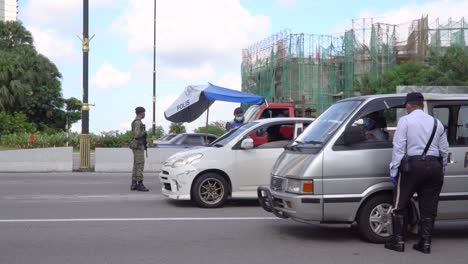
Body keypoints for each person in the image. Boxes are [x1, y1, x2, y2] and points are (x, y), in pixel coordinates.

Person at [385, 92, 448, 254]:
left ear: (409, 105)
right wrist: (442, 169)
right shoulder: (437, 123)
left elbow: (399, 147)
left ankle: (398, 241)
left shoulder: (405, 121)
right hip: (434, 167)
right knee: (429, 208)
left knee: (399, 205)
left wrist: (394, 170)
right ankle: (425, 243)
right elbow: (444, 151)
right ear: (422, 105)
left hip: (413, 167)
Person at [129, 106, 149, 192]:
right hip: (138, 146)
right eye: (144, 112)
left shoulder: (136, 122)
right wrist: (144, 132)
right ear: (141, 113)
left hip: (136, 146)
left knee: (136, 165)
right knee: (140, 164)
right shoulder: (138, 123)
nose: (144, 114)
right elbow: (137, 135)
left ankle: (134, 184)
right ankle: (140, 184)